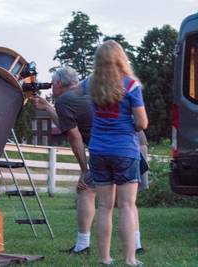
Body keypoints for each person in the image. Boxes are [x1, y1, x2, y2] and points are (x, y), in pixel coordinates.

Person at [30, 66, 148, 257]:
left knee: (86, 190)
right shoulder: (91, 89)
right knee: (127, 200)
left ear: (59, 84)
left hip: (109, 146)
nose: (51, 88)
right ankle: (136, 245)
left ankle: (83, 245)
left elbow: (74, 136)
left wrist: (84, 170)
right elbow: (69, 123)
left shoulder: (65, 100)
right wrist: (47, 108)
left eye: (52, 84)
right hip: (135, 142)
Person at [83, 40, 148, 266]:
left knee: (104, 206)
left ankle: (105, 258)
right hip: (124, 151)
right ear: (121, 58)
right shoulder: (130, 85)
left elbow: (72, 92)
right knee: (127, 206)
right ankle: (130, 259)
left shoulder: (90, 84)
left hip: (98, 150)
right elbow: (142, 123)